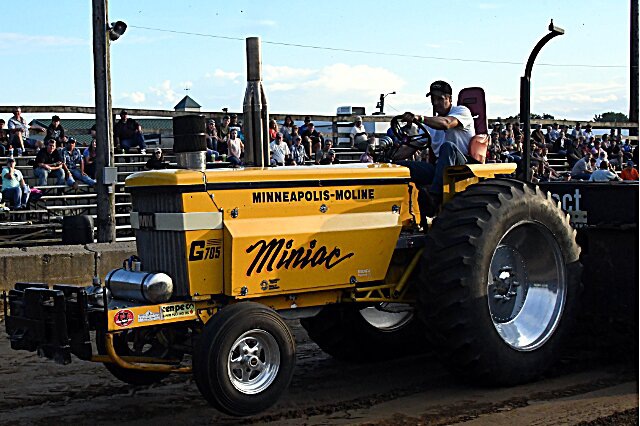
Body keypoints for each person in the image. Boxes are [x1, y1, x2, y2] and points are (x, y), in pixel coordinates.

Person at [396, 80, 475, 217]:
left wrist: (419, 118)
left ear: (450, 99)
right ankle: (403, 207)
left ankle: (434, 198)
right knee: (403, 167)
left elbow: (446, 123)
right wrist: (390, 160)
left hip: (462, 166)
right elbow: (413, 146)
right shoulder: (430, 125)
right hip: (440, 168)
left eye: (440, 99)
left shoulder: (462, 111)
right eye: (433, 99)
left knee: (448, 147)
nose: (436, 103)